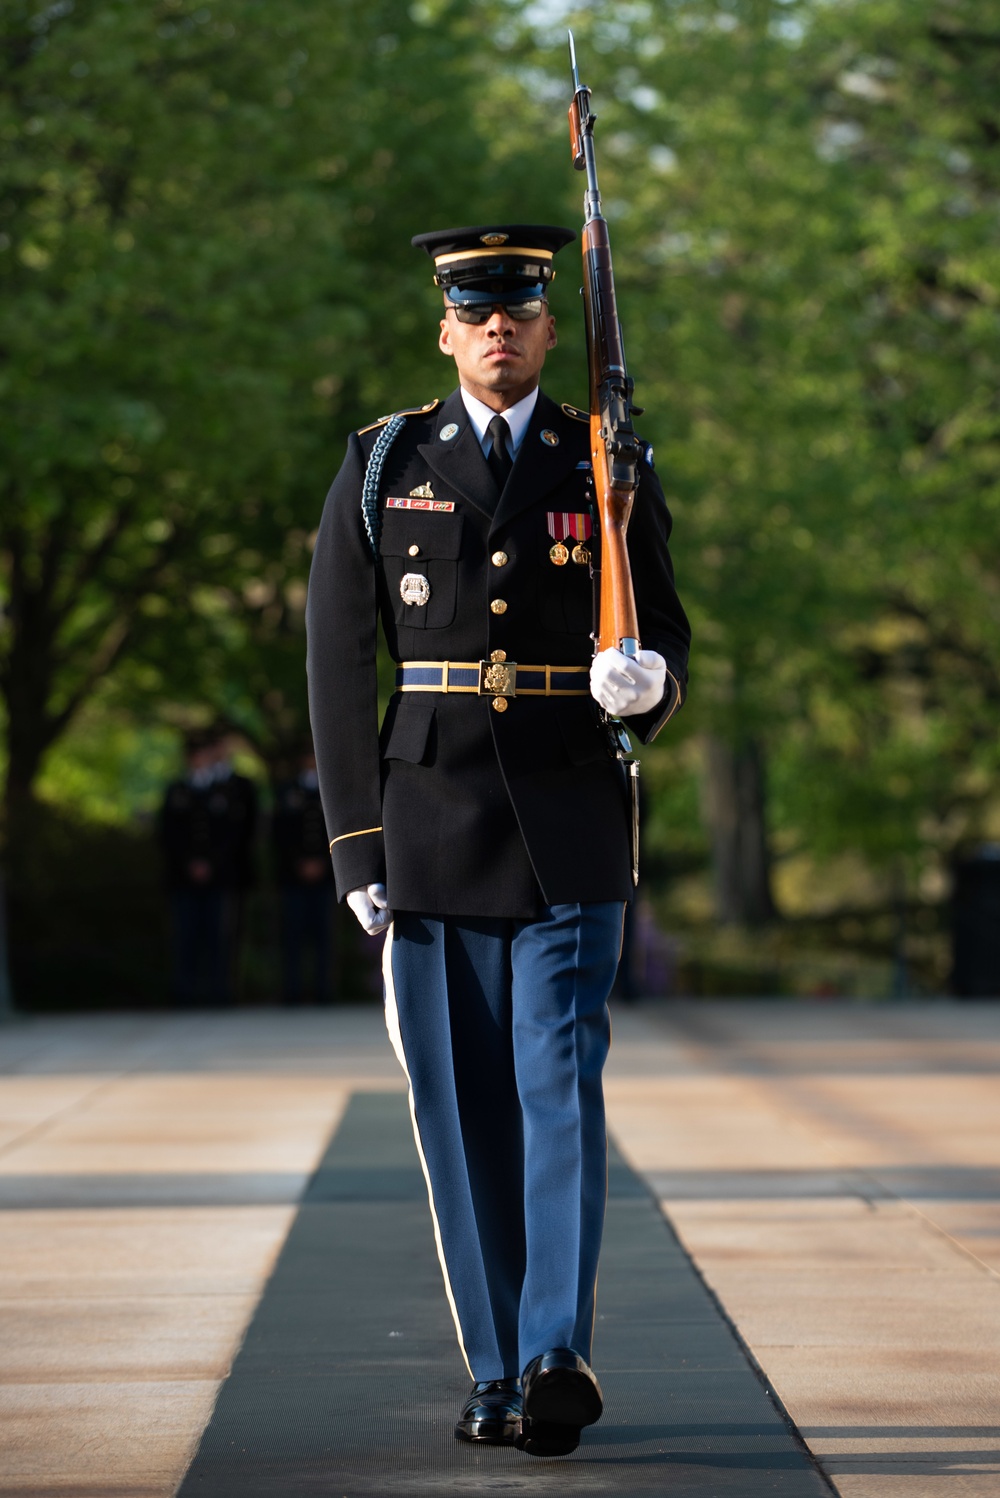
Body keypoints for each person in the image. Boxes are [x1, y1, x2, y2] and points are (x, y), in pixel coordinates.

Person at [305, 224, 689, 1455]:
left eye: (522, 309)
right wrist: (357, 847)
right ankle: (492, 1365)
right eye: (478, 311)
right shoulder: (383, 462)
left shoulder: (604, 462)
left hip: (569, 818)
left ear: (544, 325)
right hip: (425, 826)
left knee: (558, 1094)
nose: (501, 329)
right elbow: (336, 661)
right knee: (462, 1116)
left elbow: (666, 631)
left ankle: (553, 1349)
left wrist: (648, 686)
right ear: (446, 330)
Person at [158, 729, 257, 1006]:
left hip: (222, 876)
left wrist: (211, 863)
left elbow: (235, 834)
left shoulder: (228, 789)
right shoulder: (177, 790)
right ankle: (184, 993)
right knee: (185, 937)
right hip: (183, 878)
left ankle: (220, 992)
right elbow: (168, 834)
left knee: (221, 937)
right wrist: (190, 864)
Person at [271, 746, 336, 1005]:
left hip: (326, 875)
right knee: (292, 935)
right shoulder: (286, 791)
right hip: (293, 876)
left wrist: (322, 862)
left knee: (324, 936)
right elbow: (279, 834)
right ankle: (292, 990)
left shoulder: (333, 788)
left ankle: (324, 991)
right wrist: (300, 862)